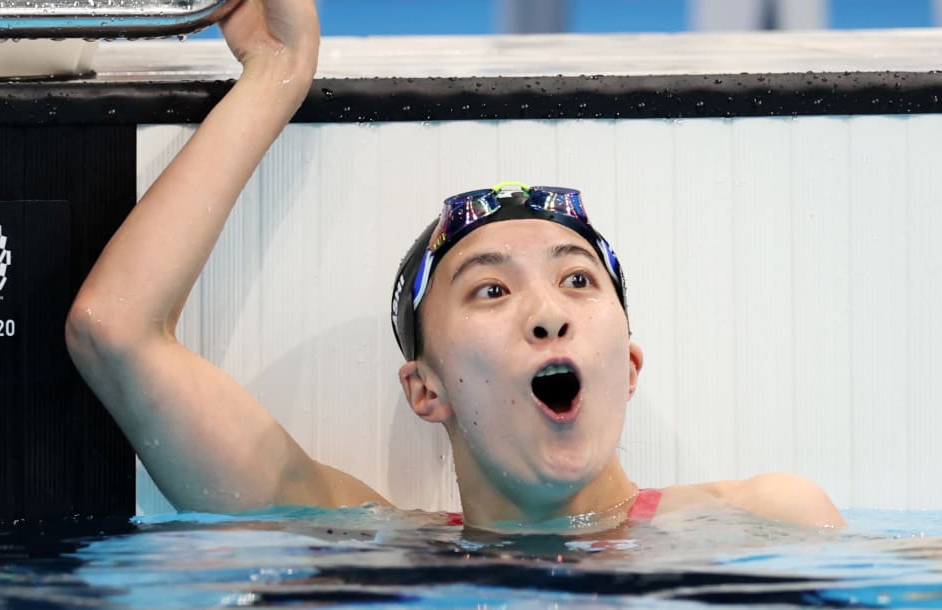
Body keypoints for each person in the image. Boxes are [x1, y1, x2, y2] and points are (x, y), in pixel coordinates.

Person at [65, 0, 845, 531]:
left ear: (630, 364)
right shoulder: (369, 553)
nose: (548, 311)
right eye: (491, 289)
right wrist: (276, 75)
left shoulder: (764, 522)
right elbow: (116, 332)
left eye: (577, 278)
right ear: (425, 388)